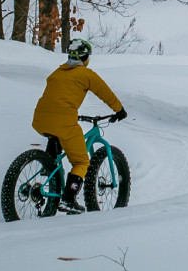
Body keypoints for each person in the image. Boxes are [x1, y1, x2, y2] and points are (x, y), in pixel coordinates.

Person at [31, 38, 127, 213]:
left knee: (56, 136)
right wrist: (119, 110)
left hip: (40, 119)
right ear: (86, 58)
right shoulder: (86, 74)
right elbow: (105, 93)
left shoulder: (57, 73)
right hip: (64, 121)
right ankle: (68, 200)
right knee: (82, 161)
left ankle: (48, 166)